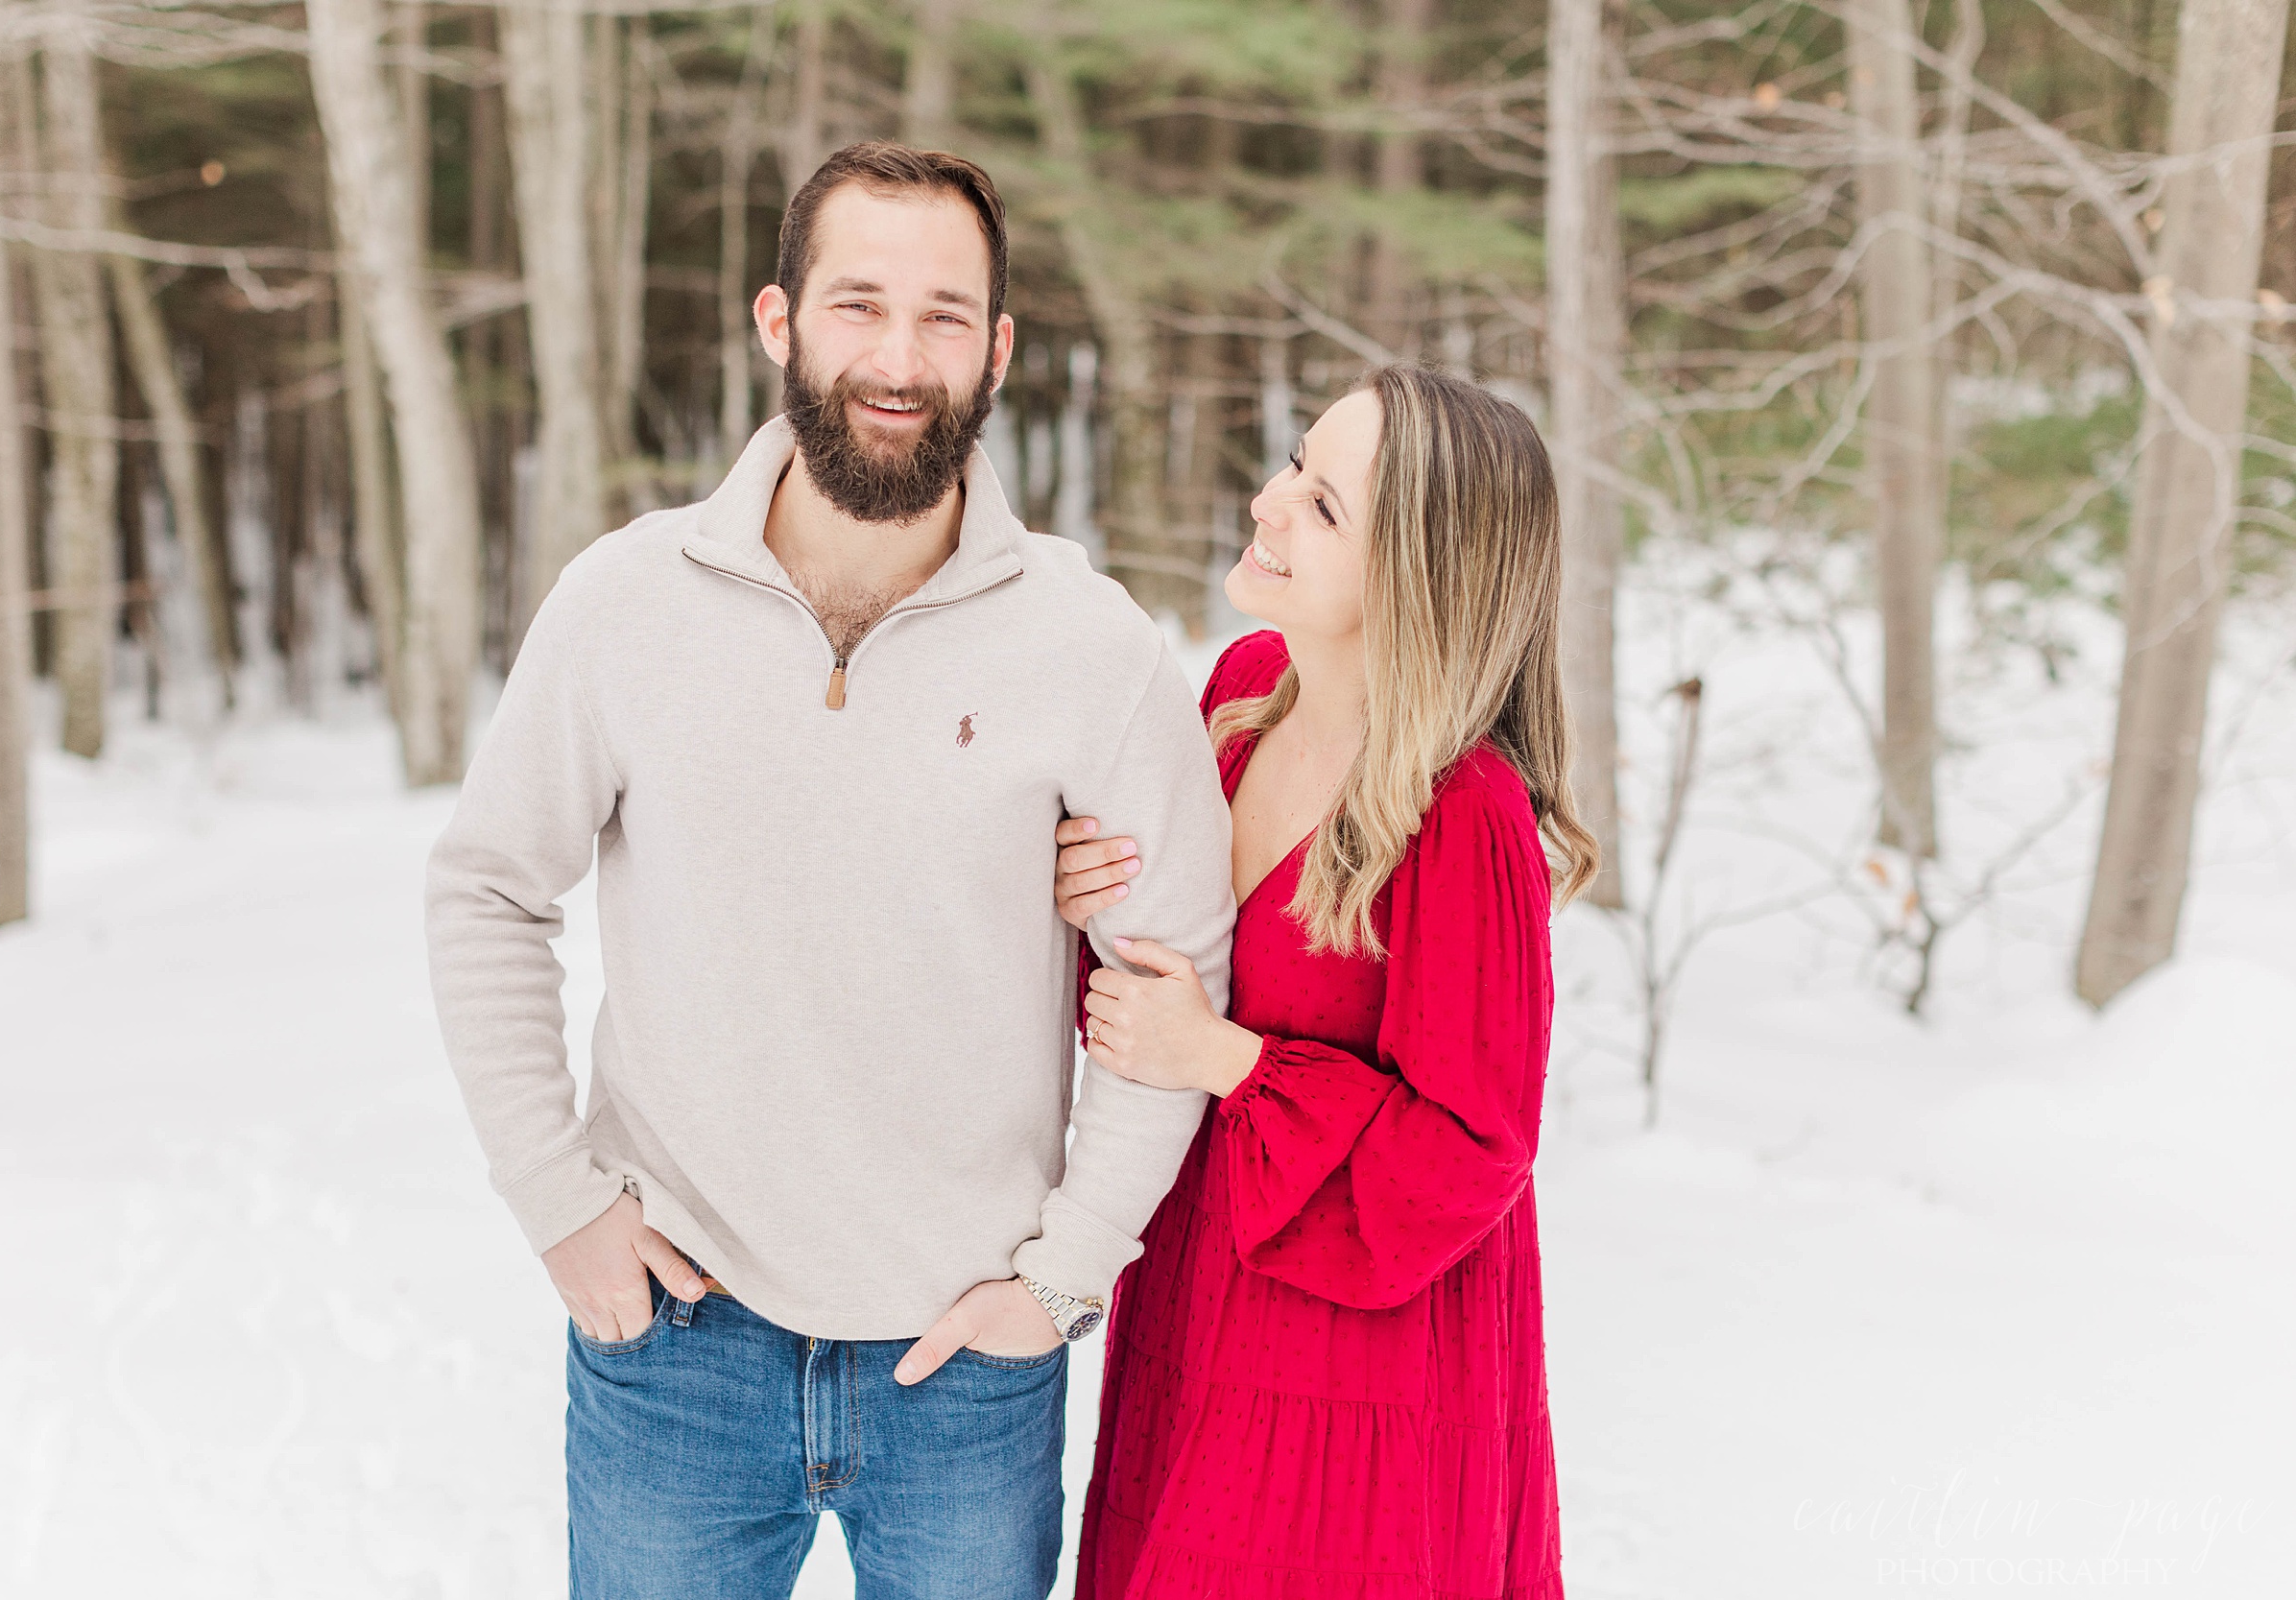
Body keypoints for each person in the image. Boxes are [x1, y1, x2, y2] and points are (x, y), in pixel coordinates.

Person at [423, 142, 1235, 1600]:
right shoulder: (624, 602)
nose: (898, 358)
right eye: (859, 303)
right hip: (675, 1344)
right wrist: (559, 1200)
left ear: (997, 350)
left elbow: (1172, 969)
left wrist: (1064, 1274)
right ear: (778, 319)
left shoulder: (1091, 644)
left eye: (943, 317)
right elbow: (487, 887)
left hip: (967, 1373)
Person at [1052, 364, 1590, 1599]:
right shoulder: (1241, 691)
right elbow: (1170, 968)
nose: (1268, 501)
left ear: (1416, 572)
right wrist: (1089, 888)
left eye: (1325, 505)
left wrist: (1225, 1059)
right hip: (1195, 1289)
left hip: (1360, 1359)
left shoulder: (1465, 816)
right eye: (1297, 461)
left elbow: (1475, 1149)